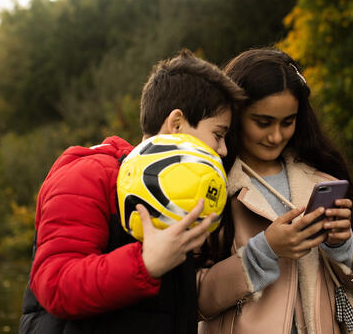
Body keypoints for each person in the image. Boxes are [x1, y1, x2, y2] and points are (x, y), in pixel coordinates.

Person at [19, 49, 245, 333]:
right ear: (176, 124)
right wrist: (145, 264)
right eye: (218, 134)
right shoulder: (87, 176)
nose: (222, 150)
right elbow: (54, 284)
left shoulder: (181, 193)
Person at [196, 48, 353, 334]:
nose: (276, 136)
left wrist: (340, 243)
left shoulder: (321, 181)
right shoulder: (206, 187)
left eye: (287, 122)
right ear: (234, 115)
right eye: (263, 122)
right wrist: (265, 250)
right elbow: (196, 300)